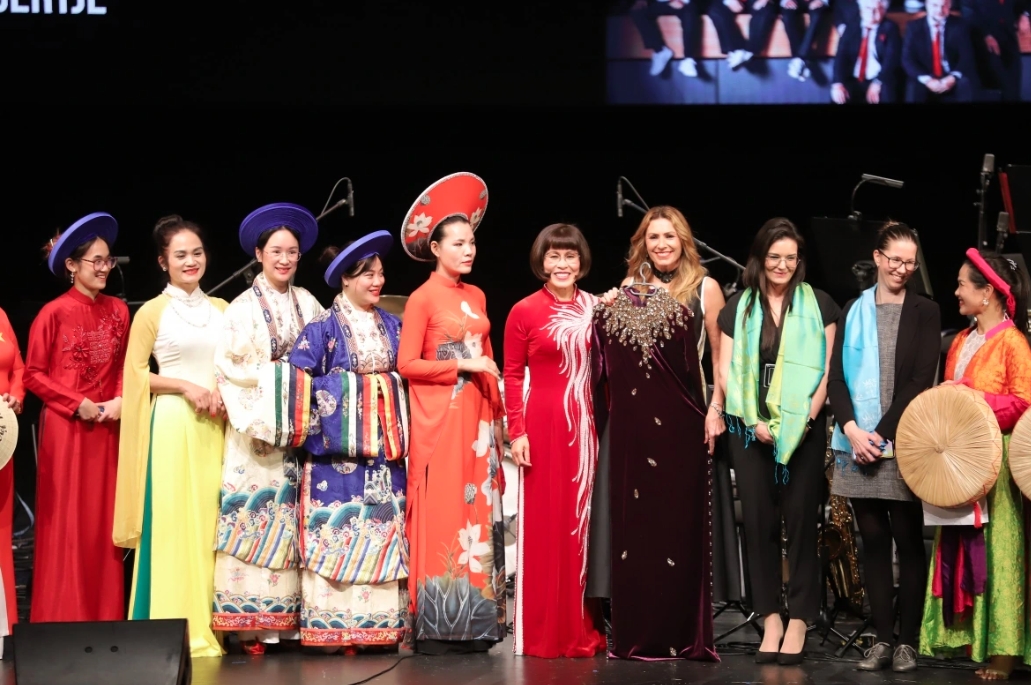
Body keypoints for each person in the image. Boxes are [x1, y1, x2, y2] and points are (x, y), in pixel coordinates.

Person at [590, 207, 721, 661]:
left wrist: (715, 411)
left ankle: (683, 631)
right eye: (653, 237)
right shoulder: (628, 290)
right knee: (639, 534)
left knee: (677, 529)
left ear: (684, 240)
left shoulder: (705, 289)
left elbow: (720, 361)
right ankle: (638, 629)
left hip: (685, 420)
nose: (661, 244)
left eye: (669, 236)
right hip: (636, 428)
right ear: (642, 244)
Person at [717, 218, 839, 665]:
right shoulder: (737, 307)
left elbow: (827, 372)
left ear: (798, 261)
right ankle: (769, 616)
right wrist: (754, 419)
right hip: (749, 430)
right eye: (775, 257)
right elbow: (726, 370)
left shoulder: (820, 304)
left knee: (802, 522)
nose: (782, 264)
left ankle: (801, 617)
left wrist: (803, 420)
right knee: (760, 524)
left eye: (790, 257)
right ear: (760, 259)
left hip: (802, 430)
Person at [397, 172, 507, 655]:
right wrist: (461, 362)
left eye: (472, 242)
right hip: (440, 419)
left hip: (477, 421)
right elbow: (407, 364)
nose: (468, 250)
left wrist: (500, 416)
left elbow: (489, 357)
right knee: (444, 516)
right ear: (436, 248)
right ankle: (438, 628)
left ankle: (477, 625)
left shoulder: (477, 296)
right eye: (458, 243)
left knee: (476, 515)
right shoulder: (422, 298)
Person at [288, 230, 410, 652]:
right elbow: (298, 381)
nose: (377, 282)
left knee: (381, 529)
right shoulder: (322, 329)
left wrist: (384, 388)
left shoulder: (394, 325)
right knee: (338, 531)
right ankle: (333, 627)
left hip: (384, 458)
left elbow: (409, 377)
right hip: (335, 460)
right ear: (345, 279)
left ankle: (378, 629)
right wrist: (355, 393)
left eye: (379, 274)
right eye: (366, 275)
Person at [827, 222, 941, 672]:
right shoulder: (851, 310)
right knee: (871, 539)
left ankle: (908, 640)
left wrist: (880, 433)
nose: (902, 268)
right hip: (856, 443)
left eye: (910, 262)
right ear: (877, 257)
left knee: (907, 538)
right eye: (895, 259)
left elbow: (919, 379)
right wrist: (853, 429)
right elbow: (835, 379)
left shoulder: (925, 311)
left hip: (901, 439)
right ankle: (881, 639)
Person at [211, 203, 324, 655]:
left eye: (292, 252)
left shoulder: (310, 304)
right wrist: (279, 382)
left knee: (294, 524)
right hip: (255, 434)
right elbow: (228, 369)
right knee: (254, 520)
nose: (284, 259)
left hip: (299, 433)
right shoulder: (240, 309)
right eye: (275, 251)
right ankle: (250, 625)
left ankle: (292, 622)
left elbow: (325, 360)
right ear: (258, 254)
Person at [113, 216, 229, 658]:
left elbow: (236, 364)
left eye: (197, 252)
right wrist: (184, 385)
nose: (191, 261)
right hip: (173, 425)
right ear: (163, 262)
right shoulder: (151, 312)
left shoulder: (222, 309)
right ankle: (171, 626)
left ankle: (218, 623)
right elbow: (135, 377)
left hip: (217, 424)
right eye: (180, 255)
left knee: (212, 527)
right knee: (175, 526)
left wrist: (220, 389)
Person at [919, 249, 1031, 681]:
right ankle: (969, 640)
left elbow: (1023, 404)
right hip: (961, 461)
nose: (956, 292)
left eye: (963, 285)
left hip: (996, 465)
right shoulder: (962, 341)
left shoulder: (1013, 343)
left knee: (998, 552)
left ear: (988, 293)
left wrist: (972, 398)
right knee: (957, 546)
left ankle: (1003, 653)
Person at [503, 223, 606, 658]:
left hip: (588, 426)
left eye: (570, 256)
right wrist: (517, 431)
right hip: (543, 425)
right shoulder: (523, 310)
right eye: (553, 256)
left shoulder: (598, 308)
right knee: (546, 528)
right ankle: (543, 631)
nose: (562, 264)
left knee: (582, 527)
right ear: (541, 262)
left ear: (581, 262)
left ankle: (583, 627)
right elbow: (511, 374)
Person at [24, 212, 129, 622]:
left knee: (104, 525)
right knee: (69, 523)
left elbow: (124, 364)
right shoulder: (53, 313)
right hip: (68, 430)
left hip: (109, 427)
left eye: (109, 261)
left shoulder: (120, 311)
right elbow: (33, 374)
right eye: (96, 261)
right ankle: (64, 620)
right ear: (71, 265)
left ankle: (106, 619)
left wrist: (120, 398)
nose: (105, 268)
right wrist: (75, 402)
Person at [902, 0, 978, 102]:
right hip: (926, 76)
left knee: (965, 83)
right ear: (927, 5)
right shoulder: (914, 27)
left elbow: (966, 56)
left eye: (944, 6)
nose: (939, 10)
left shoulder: (960, 26)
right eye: (935, 5)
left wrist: (953, 77)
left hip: (951, 75)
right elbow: (907, 59)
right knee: (913, 86)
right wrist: (927, 80)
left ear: (950, 5)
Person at [0, 306, 23, 639]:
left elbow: (17, 364)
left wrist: (15, 397)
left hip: (2, 437)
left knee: (1, 532)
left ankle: (4, 628)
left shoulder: (1, 314)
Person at [831, 0, 902, 104]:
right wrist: (837, 84)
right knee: (839, 94)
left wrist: (877, 83)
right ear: (861, 10)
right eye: (868, 8)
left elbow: (890, 60)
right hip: (853, 78)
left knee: (887, 90)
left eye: (877, 9)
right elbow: (841, 56)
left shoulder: (890, 28)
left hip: (879, 78)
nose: (872, 13)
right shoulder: (851, 27)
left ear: (884, 11)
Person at [961, 0, 1022, 101]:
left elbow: (1023, 4)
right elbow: (967, 11)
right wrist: (986, 34)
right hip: (982, 40)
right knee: (997, 84)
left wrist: (1025, 14)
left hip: (1009, 37)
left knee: (1013, 86)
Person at [630, 0, 704, 77]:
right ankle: (660, 50)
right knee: (637, 11)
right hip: (662, 2)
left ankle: (688, 59)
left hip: (684, 3)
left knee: (690, 14)